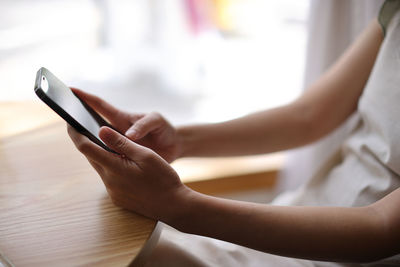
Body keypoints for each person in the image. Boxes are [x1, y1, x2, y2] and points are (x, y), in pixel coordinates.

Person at [67, 1, 400, 266]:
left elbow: (380, 228)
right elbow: (307, 116)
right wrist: (180, 141)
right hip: (303, 214)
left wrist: (180, 206)